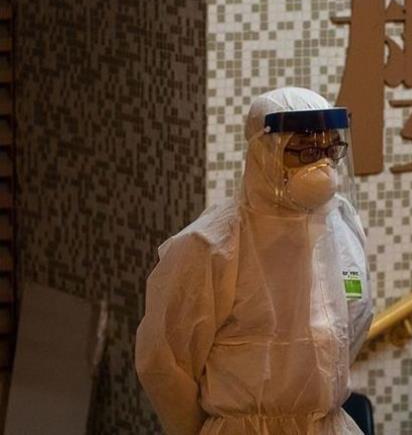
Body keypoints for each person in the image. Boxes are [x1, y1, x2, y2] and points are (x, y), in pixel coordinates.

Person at [136, 87, 372, 434]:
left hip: (328, 425)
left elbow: (350, 327)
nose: (322, 165)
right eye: (305, 151)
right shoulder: (211, 245)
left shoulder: (342, 225)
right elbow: (165, 362)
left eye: (329, 149)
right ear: (265, 151)